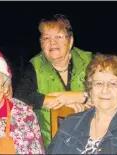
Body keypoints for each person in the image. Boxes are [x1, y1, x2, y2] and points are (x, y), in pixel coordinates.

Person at [14, 14, 93, 147]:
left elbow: (114, 92)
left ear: (70, 41)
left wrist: (79, 97)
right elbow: (21, 97)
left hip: (90, 140)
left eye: (58, 37)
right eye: (46, 38)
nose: (52, 42)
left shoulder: (90, 61)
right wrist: (62, 103)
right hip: (50, 144)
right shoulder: (34, 65)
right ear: (41, 44)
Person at [47, 53, 117, 154]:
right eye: (99, 83)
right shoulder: (70, 123)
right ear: (90, 90)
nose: (105, 90)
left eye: (113, 84)